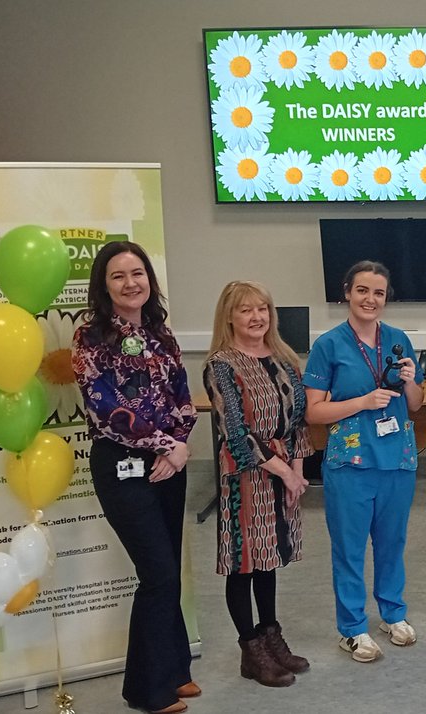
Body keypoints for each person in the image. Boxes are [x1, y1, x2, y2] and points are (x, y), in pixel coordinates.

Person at [72, 241, 198, 714]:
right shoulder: (89, 339)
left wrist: (181, 444)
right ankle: (146, 690)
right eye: (119, 276)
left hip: (171, 464)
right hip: (122, 466)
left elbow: (182, 396)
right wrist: (167, 446)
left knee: (169, 569)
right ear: (104, 287)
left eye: (138, 273)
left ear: (150, 280)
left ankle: (176, 669)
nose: (131, 283)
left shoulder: (162, 336)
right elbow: (107, 412)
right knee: (158, 573)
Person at [303, 261, 424, 663]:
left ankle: (393, 613)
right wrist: (361, 402)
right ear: (347, 293)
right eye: (362, 291)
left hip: (397, 460)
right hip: (349, 463)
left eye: (378, 293)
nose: (370, 299)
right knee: (350, 548)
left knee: (392, 543)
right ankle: (352, 627)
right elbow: (314, 413)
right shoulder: (329, 345)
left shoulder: (398, 339)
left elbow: (417, 403)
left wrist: (409, 380)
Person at [203, 281, 313, 687]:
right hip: (246, 475)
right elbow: (235, 431)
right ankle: (250, 649)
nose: (256, 317)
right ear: (229, 317)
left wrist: (298, 470)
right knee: (244, 561)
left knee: (270, 557)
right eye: (246, 310)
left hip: (285, 471)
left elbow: (299, 420)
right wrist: (283, 471)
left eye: (262, 308)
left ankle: (271, 634)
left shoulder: (285, 360)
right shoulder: (221, 364)